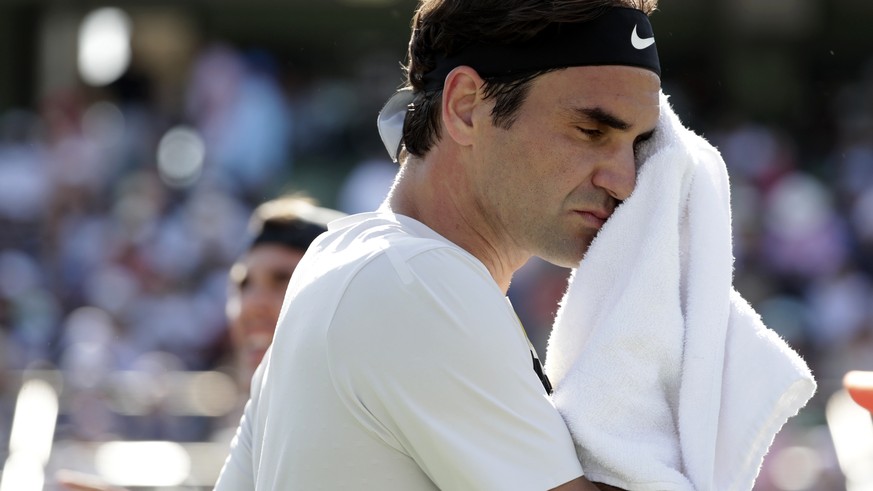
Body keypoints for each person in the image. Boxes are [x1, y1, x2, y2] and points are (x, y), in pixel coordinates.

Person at [214, 0, 660, 490]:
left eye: (640, 145)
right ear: (465, 106)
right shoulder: (416, 279)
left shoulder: (339, 257)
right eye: (591, 131)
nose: (625, 180)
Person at [57, 195, 343, 491]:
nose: (251, 305)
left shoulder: (358, 418)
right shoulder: (265, 425)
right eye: (243, 285)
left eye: (282, 279)